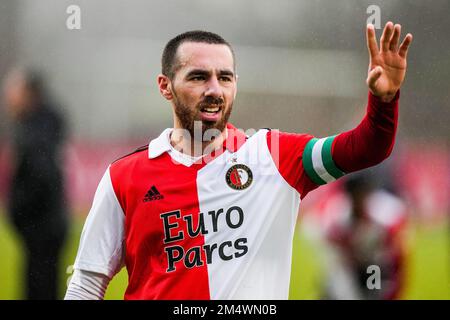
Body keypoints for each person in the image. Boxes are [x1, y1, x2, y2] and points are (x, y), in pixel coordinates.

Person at [65, 22, 413, 299]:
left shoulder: (275, 158)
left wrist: (384, 102)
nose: (214, 89)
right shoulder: (124, 177)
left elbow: (365, 148)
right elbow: (86, 285)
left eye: (225, 77)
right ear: (165, 86)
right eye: (199, 77)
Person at [2, 68, 68, 300]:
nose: (8, 97)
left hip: (42, 227)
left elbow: (41, 176)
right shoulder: (42, 124)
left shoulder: (36, 131)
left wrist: (19, 209)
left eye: (13, 91)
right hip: (45, 225)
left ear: (29, 94)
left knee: (40, 288)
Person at [318, 172, 407, 300]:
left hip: (377, 265)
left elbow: (398, 252)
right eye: (353, 193)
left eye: (360, 193)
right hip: (349, 264)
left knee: (374, 290)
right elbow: (328, 240)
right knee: (339, 288)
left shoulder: (384, 215)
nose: (357, 198)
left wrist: (396, 286)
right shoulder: (338, 214)